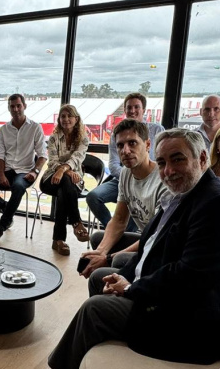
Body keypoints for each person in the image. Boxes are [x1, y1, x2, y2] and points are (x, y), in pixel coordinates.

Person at [15, 128, 220, 369]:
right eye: (163, 162)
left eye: (177, 159)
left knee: (95, 310)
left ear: (201, 159)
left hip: (199, 320)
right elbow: (150, 248)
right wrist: (124, 275)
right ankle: (98, 355)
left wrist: (132, 288)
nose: (168, 171)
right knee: (100, 278)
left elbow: (191, 277)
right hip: (178, 296)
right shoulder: (187, 194)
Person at [80, 120, 170, 291]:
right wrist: (100, 252)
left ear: (148, 145)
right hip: (147, 238)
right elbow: (119, 219)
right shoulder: (126, 174)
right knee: (97, 239)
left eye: (132, 143)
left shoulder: (162, 181)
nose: (125, 151)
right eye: (120, 145)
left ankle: (122, 291)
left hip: (160, 245)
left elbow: (155, 236)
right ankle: (109, 293)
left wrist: (107, 258)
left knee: (117, 260)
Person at [0, 94, 47, 244]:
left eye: (18, 105)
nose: (15, 109)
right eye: (12, 106)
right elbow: (0, 155)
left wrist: (35, 172)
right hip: (5, 168)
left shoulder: (35, 127)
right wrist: (1, 175)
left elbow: (42, 155)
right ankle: (7, 208)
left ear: (24, 106)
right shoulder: (4, 129)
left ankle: (0, 228)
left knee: (19, 186)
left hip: (25, 170)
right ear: (8, 108)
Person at [86, 93, 164, 230]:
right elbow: (113, 164)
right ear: (125, 110)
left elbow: (163, 160)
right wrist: (128, 176)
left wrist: (141, 177)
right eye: (129, 107)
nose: (132, 111)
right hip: (122, 179)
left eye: (136, 107)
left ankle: (127, 233)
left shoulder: (157, 130)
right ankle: (113, 230)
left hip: (149, 182)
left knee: (136, 204)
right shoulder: (117, 133)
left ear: (144, 110)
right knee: (93, 197)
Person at [39, 104, 90, 256]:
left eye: (69, 116)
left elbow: (77, 158)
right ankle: (76, 222)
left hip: (73, 180)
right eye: (63, 116)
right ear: (59, 119)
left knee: (63, 192)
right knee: (66, 182)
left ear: (76, 119)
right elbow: (52, 161)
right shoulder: (53, 138)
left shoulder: (83, 139)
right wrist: (65, 171)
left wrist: (63, 170)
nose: (66, 119)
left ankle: (58, 240)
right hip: (51, 178)